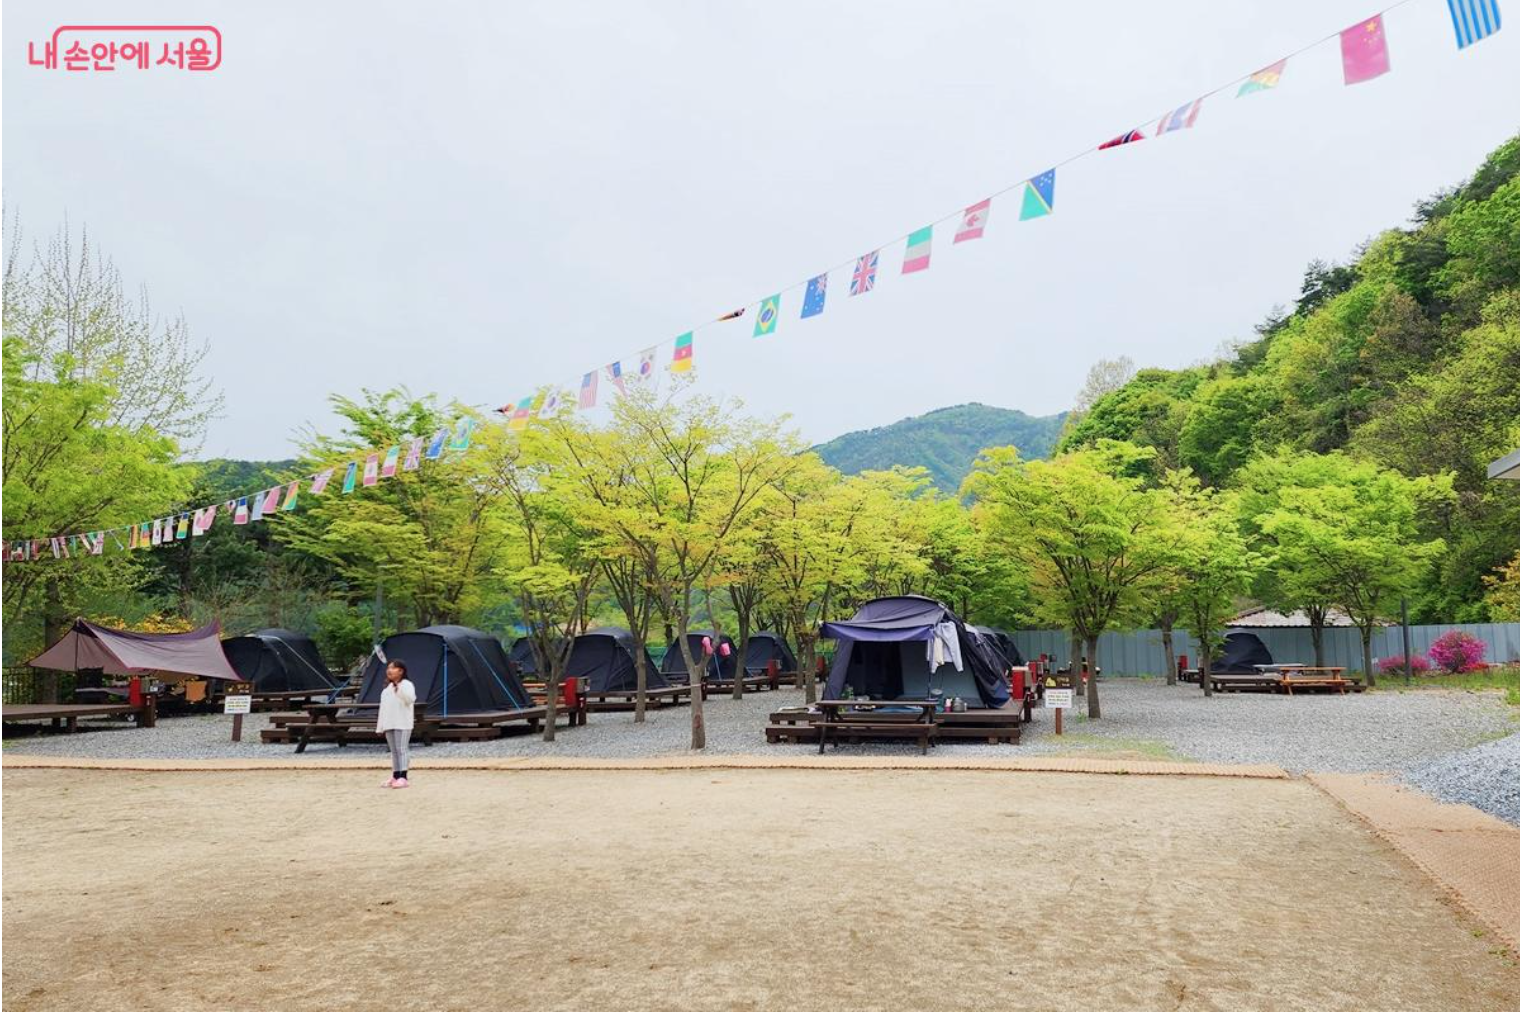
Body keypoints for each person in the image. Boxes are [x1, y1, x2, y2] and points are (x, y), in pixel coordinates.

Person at [377, 659, 416, 788]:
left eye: (393, 668)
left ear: (401, 671)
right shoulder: (386, 690)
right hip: (389, 723)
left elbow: (410, 699)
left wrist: (399, 689)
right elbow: (383, 709)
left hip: (403, 723)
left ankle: (403, 777)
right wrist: (380, 726)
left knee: (402, 749)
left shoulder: (407, 684)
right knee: (394, 751)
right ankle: (395, 775)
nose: (389, 670)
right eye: (388, 668)